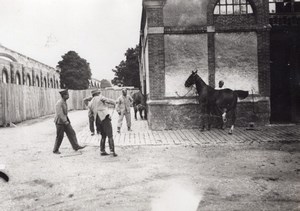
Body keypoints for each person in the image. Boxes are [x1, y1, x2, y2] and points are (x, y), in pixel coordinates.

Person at [53, 89, 86, 154]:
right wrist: (65, 121)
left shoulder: (64, 101)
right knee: (60, 136)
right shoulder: (59, 103)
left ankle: (75, 146)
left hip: (65, 121)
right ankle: (55, 150)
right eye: (67, 95)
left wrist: (66, 121)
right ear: (63, 95)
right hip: (60, 122)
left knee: (72, 133)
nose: (68, 96)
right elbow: (60, 113)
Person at [89, 89, 118, 157]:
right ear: (97, 93)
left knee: (103, 135)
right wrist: (114, 102)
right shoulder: (100, 97)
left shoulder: (91, 102)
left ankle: (102, 150)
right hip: (104, 117)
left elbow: (90, 114)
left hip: (97, 120)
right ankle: (112, 151)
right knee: (110, 135)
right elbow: (108, 101)